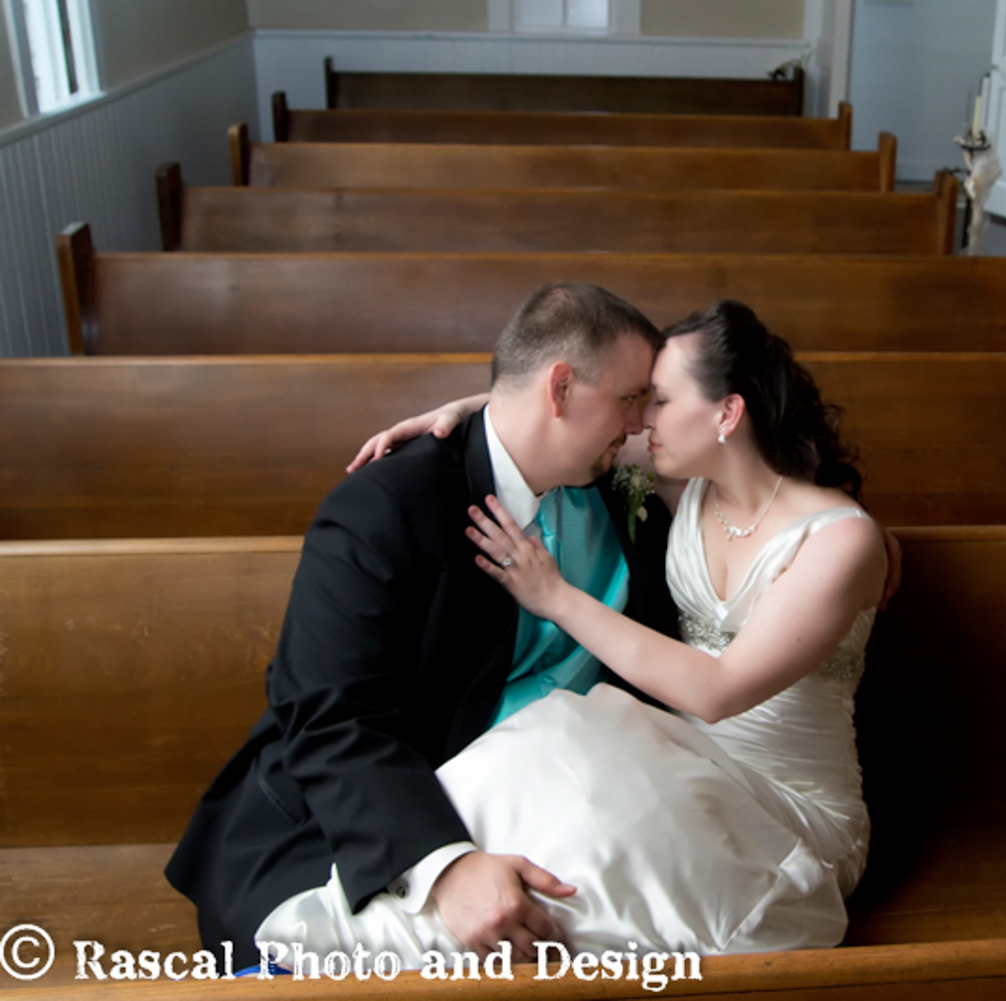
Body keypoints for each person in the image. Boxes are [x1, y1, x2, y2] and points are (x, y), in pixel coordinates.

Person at [262, 299, 888, 962]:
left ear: (727, 413)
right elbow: (562, 413)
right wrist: (475, 409)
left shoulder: (838, 542)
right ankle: (389, 914)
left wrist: (554, 596)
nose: (642, 419)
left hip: (786, 803)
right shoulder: (689, 482)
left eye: (659, 399)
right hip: (685, 756)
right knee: (546, 758)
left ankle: (360, 955)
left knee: (581, 794)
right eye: (639, 399)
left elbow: (718, 690)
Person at [164, 282, 677, 967]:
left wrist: (852, 534)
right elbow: (327, 714)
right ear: (559, 390)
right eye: (630, 398)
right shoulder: (385, 505)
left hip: (562, 801)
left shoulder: (619, 488)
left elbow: (755, 472)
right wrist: (445, 867)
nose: (642, 424)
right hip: (370, 814)